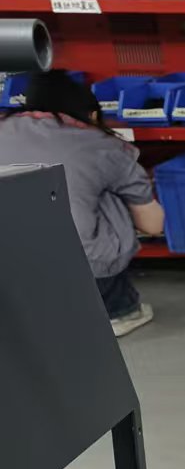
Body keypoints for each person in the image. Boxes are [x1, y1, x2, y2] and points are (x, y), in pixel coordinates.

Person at [0, 71, 164, 335]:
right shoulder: (104, 146)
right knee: (105, 194)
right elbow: (153, 225)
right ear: (92, 115)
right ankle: (118, 312)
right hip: (81, 274)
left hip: (9, 270)